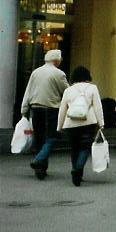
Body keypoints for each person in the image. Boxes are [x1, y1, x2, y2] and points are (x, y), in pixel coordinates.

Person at [20, 49, 69, 180]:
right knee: (52, 137)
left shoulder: (35, 72)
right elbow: (67, 92)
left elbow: (28, 91)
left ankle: (41, 169)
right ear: (56, 60)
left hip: (35, 109)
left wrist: (24, 110)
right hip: (52, 109)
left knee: (40, 138)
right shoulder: (59, 74)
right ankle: (39, 160)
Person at [57, 66, 105, 186]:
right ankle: (78, 170)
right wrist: (101, 123)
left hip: (71, 123)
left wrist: (60, 125)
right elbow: (98, 107)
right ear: (87, 76)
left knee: (74, 149)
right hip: (88, 122)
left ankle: (76, 173)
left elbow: (62, 109)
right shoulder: (92, 88)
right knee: (85, 148)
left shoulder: (68, 90)